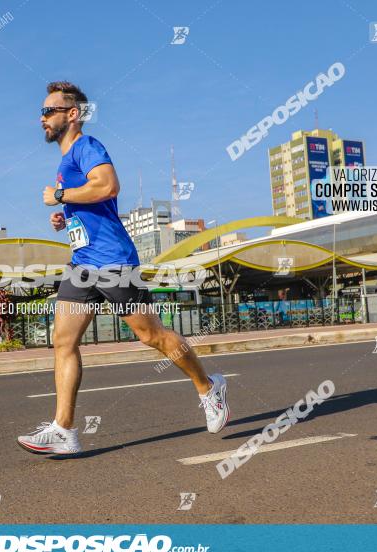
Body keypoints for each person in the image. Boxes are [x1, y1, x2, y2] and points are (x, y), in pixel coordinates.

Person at [16, 81, 229, 455]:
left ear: (72, 114)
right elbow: (93, 202)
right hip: (82, 264)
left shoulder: (87, 147)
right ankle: (64, 429)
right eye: (42, 112)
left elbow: (108, 186)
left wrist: (62, 196)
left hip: (112, 261)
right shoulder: (66, 160)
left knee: (152, 336)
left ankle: (208, 387)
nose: (42, 118)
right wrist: (65, 217)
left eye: (49, 111)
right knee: (63, 341)